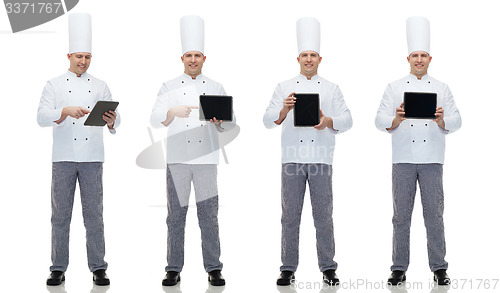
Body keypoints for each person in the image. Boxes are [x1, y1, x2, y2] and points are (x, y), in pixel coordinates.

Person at [263, 17, 352, 286]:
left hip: (321, 159)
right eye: (305, 55)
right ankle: (288, 267)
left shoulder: (331, 88)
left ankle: (328, 267)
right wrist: (283, 110)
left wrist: (328, 121)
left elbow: (348, 120)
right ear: (298, 58)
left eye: (313, 55)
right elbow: (267, 120)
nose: (309, 59)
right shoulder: (283, 87)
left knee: (323, 215)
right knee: (289, 216)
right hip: (291, 159)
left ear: (320, 59)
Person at [375, 16, 461, 286]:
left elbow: (458, 120)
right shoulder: (394, 87)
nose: (419, 59)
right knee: (401, 216)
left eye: (424, 55)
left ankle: (439, 268)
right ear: (408, 58)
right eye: (415, 55)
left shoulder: (441, 88)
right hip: (402, 160)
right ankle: (399, 267)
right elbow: (378, 119)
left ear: (430, 58)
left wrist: (441, 120)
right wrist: (396, 119)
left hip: (433, 160)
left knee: (434, 215)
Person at [150, 15, 234, 287]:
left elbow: (230, 125)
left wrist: (221, 122)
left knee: (208, 215)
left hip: (207, 160)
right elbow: (154, 119)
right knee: (175, 215)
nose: (193, 59)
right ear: (182, 58)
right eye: (189, 55)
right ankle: (173, 268)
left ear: (204, 58)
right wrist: (170, 112)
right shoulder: (168, 86)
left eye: (198, 55)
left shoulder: (216, 87)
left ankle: (214, 268)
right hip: (177, 160)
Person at [37, 13, 120, 286]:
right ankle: (58, 267)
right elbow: (40, 116)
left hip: (93, 158)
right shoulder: (54, 84)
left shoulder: (100, 85)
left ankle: (98, 267)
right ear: (69, 55)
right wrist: (63, 111)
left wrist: (111, 120)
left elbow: (115, 117)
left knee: (94, 215)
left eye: (87, 57)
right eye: (78, 56)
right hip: (62, 158)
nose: (82, 61)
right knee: (60, 215)